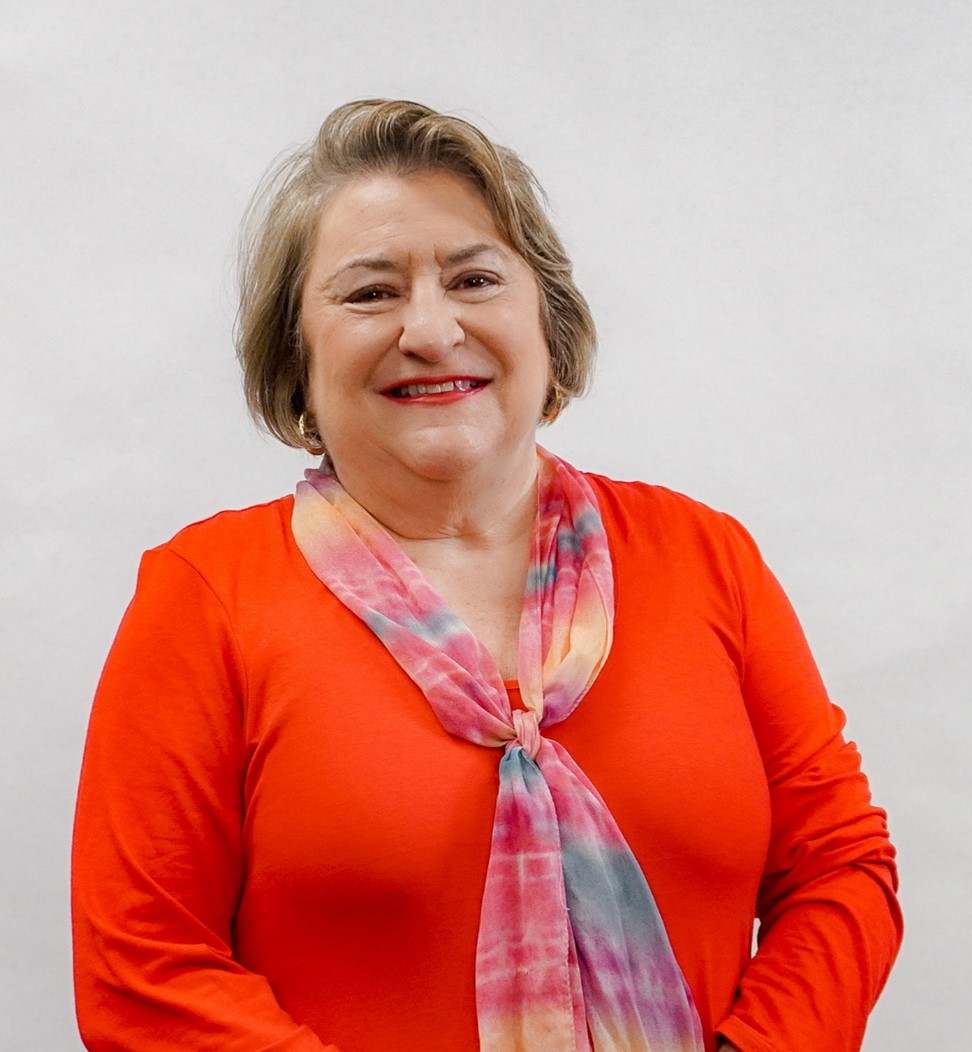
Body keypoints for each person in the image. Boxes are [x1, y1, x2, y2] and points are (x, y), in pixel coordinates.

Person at [71, 99, 902, 1052]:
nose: (430, 330)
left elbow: (840, 869)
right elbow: (141, 967)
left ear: (545, 321)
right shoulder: (207, 593)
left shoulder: (704, 557)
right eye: (368, 293)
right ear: (295, 358)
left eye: (473, 278)